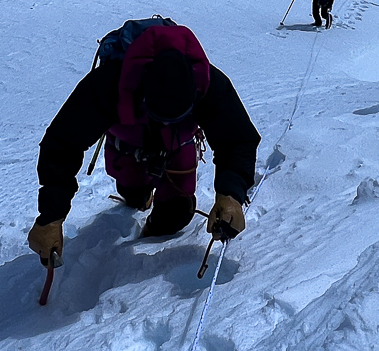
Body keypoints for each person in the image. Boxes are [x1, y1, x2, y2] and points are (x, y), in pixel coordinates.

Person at [28, 21, 259, 264]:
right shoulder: (108, 84)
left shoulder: (210, 85)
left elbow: (237, 139)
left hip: (178, 146)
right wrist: (51, 217)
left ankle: (153, 231)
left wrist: (231, 194)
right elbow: (62, 144)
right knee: (133, 193)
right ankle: (138, 195)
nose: (166, 124)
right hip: (128, 145)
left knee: (176, 214)